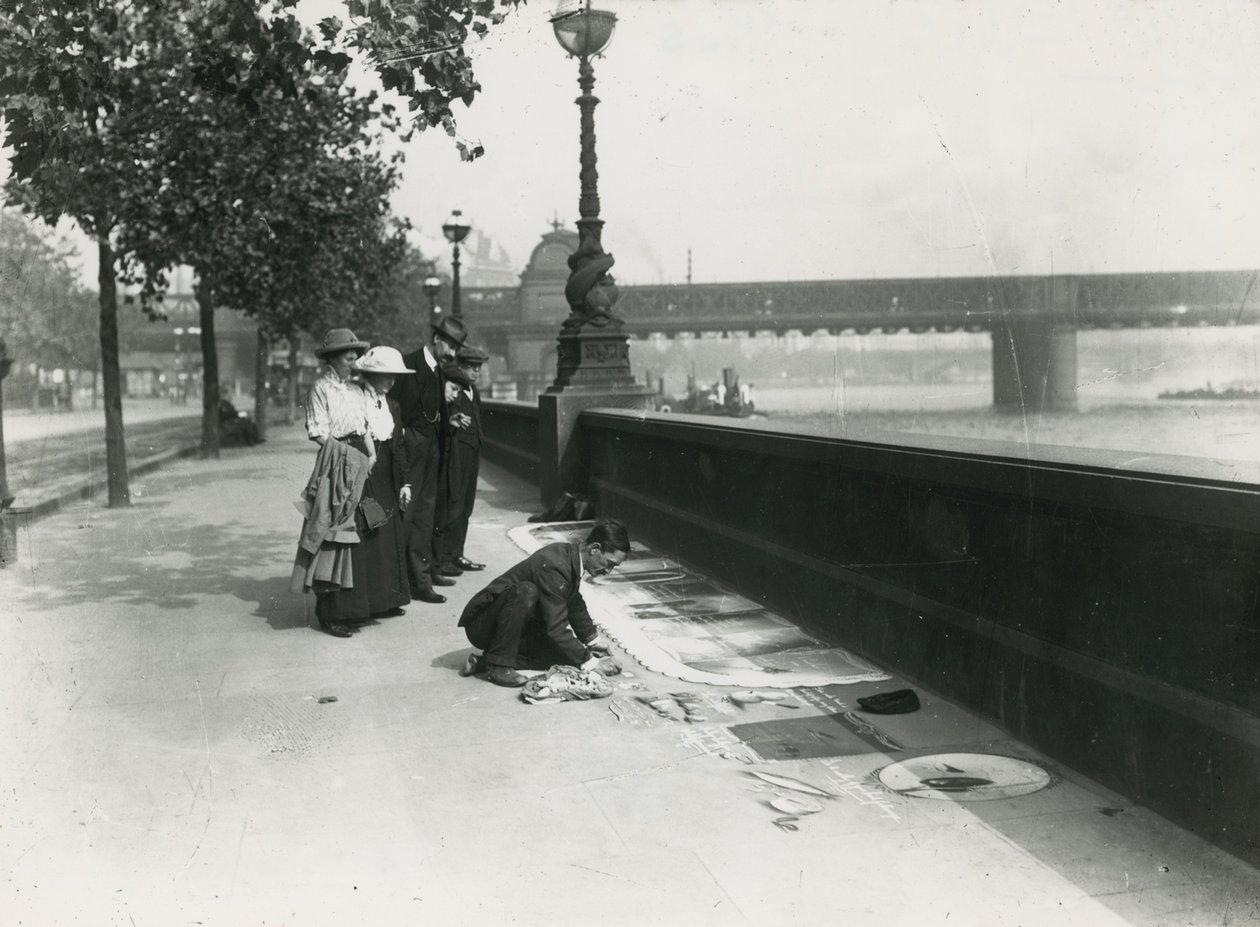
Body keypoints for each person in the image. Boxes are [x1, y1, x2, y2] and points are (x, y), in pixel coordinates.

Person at [458, 519, 628, 687]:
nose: (608, 571)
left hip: (506, 623)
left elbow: (574, 601)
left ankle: (485, 662)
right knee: (526, 591)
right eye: (609, 564)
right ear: (594, 549)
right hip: (481, 625)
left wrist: (593, 642)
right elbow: (556, 627)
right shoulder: (556, 565)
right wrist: (592, 663)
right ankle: (499, 667)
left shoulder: (569, 557)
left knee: (565, 657)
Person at [290, 328, 374, 638]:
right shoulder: (320, 389)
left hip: (358, 461)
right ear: (333, 359)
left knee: (356, 534)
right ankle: (330, 613)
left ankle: (353, 609)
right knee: (332, 532)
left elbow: (364, 426)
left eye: (355, 357)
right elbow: (317, 431)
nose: (354, 362)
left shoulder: (356, 390)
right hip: (335, 459)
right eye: (349, 357)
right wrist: (346, 456)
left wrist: (369, 455)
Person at [390, 316, 467, 604]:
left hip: (431, 452)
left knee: (424, 519)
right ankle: (401, 584)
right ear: (436, 339)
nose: (452, 354)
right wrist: (405, 439)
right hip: (409, 454)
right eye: (449, 346)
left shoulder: (439, 371)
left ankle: (420, 582)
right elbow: (391, 407)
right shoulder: (408, 364)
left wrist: (447, 425)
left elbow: (436, 412)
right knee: (406, 518)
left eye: (456, 348)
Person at [434, 345, 488, 577]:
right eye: (472, 368)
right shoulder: (451, 387)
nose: (476, 372)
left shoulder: (472, 390)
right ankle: (444, 557)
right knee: (452, 504)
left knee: (466, 505)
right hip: (455, 453)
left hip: (472, 453)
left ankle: (457, 553)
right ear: (462, 367)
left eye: (479, 368)